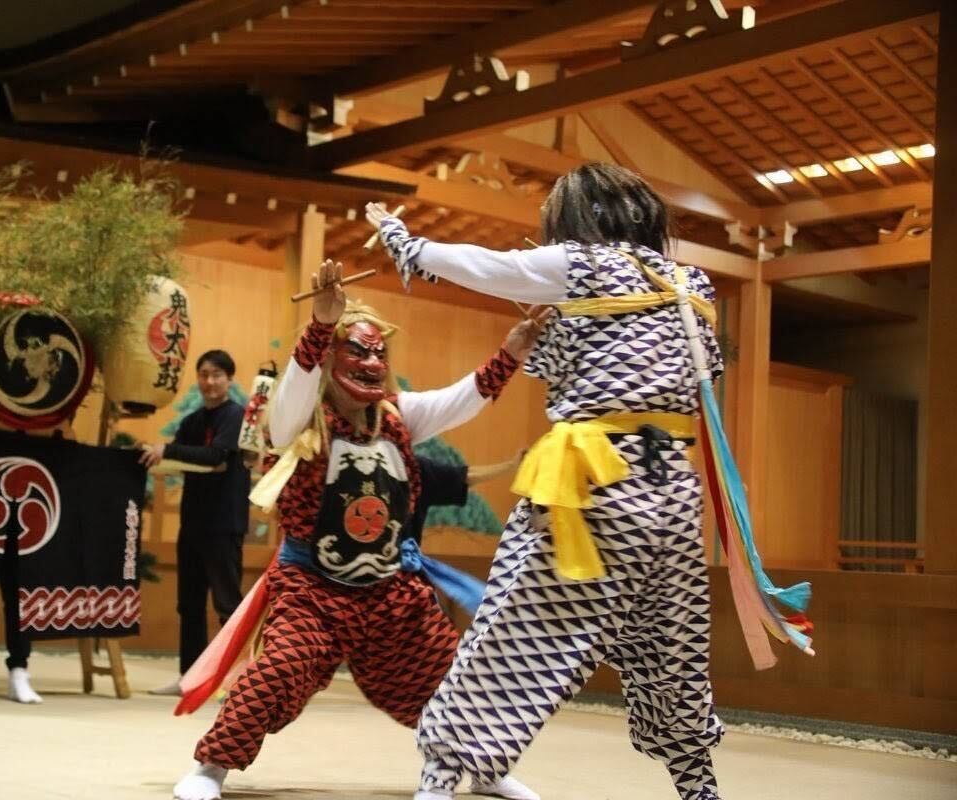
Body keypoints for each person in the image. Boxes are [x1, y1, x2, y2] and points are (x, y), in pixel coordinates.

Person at [368, 161, 727, 800]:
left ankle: (442, 775)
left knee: (515, 633)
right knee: (671, 648)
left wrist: (404, 242)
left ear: (575, 219)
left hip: (593, 487)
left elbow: (481, 265)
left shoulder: (582, 264)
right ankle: (698, 784)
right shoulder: (689, 284)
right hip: (672, 494)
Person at [171, 260, 549, 800]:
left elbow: (461, 398)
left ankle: (484, 768)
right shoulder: (303, 419)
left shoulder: (399, 416)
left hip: (391, 593)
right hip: (312, 592)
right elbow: (288, 403)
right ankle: (212, 767)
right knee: (274, 673)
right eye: (358, 351)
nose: (372, 362)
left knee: (455, 680)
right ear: (329, 358)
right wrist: (321, 324)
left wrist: (511, 353)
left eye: (379, 353)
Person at [140, 350, 249, 691]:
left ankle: (234, 678)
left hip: (224, 523)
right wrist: (155, 453)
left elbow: (216, 456)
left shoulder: (237, 416)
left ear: (229, 379)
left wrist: (168, 451)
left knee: (227, 603)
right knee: (188, 604)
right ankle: (191, 677)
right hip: (193, 524)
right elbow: (178, 454)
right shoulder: (191, 422)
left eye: (217, 374)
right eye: (203, 374)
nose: (209, 381)